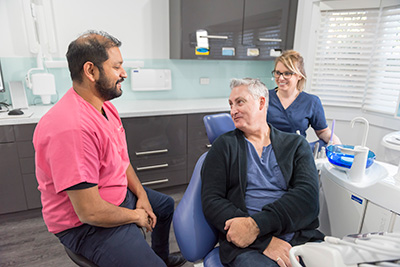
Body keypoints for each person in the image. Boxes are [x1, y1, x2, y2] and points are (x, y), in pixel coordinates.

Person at [33, 30, 186, 267]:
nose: (124, 74)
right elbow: (90, 212)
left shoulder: (104, 107)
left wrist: (142, 195)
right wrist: (137, 216)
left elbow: (121, 160)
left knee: (164, 205)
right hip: (87, 226)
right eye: (116, 67)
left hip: (115, 197)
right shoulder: (71, 128)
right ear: (91, 71)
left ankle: (161, 257)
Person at [201, 78, 324, 267]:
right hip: (248, 246)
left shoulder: (295, 145)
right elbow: (212, 200)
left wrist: (257, 226)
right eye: (231, 104)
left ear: (261, 102)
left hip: (297, 236)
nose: (233, 111)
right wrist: (262, 241)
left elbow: (307, 199)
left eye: (240, 102)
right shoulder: (223, 146)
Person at [267, 50, 340, 146]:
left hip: (296, 154)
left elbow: (323, 132)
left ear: (299, 76)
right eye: (278, 73)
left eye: (287, 73)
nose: (280, 78)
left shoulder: (311, 102)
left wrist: (337, 145)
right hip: (267, 153)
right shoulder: (264, 97)